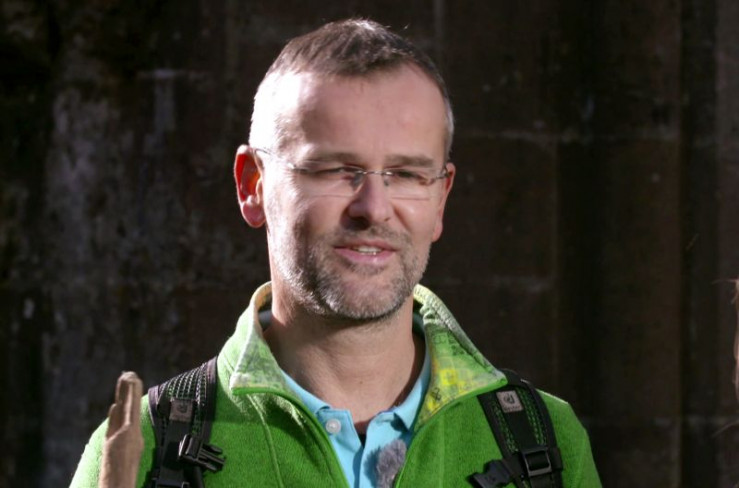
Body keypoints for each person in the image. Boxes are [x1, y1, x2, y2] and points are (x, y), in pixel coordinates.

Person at [71, 18, 601, 487]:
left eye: (406, 174)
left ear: (441, 197)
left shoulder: (545, 445)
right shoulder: (145, 454)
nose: (374, 208)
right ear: (253, 184)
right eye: (334, 170)